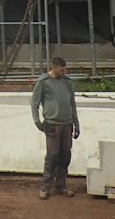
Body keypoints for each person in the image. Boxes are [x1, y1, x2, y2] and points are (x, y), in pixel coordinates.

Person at [30, 56, 80, 200]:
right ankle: (45, 187)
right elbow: (35, 104)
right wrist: (37, 122)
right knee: (52, 156)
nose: (64, 72)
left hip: (67, 124)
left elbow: (72, 104)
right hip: (52, 124)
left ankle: (61, 185)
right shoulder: (43, 82)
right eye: (62, 69)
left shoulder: (68, 82)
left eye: (65, 69)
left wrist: (76, 123)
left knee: (65, 155)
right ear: (54, 67)